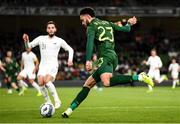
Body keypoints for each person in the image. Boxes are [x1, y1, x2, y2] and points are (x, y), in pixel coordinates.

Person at [62, 7, 154, 118]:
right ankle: (69, 110)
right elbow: (126, 30)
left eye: (82, 20)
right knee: (88, 84)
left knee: (106, 82)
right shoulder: (107, 23)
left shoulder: (91, 26)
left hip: (105, 56)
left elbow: (89, 43)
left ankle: (139, 77)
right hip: (112, 57)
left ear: (87, 16)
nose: (82, 23)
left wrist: (88, 60)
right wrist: (129, 23)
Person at [22, 21, 74, 109]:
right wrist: (26, 41)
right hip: (43, 65)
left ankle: (57, 100)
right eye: (49, 28)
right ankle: (48, 102)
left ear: (55, 29)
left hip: (53, 65)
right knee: (40, 82)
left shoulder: (59, 40)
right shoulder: (41, 38)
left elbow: (70, 49)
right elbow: (28, 47)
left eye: (52, 27)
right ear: (47, 29)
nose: (51, 29)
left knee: (46, 81)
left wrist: (70, 59)